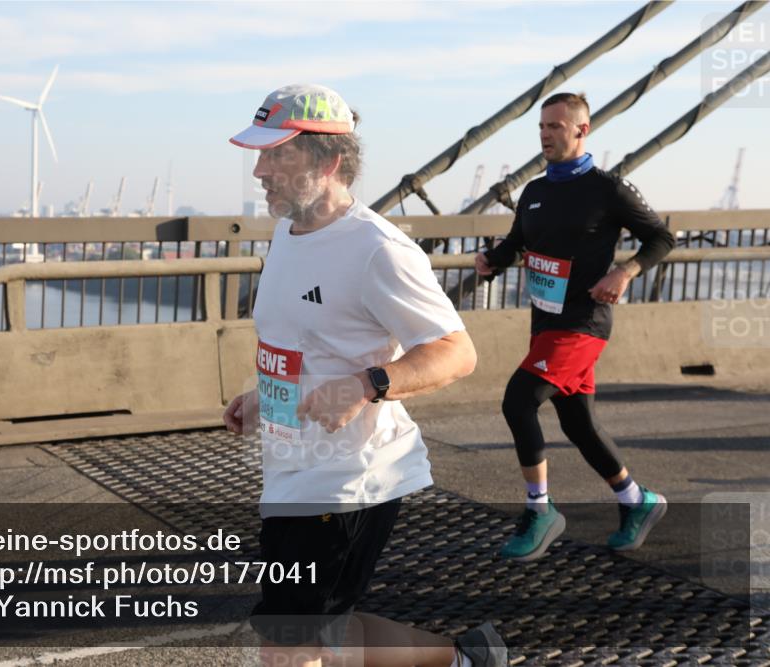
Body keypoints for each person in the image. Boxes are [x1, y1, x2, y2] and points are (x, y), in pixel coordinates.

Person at [223, 83, 506, 667]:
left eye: (278, 155)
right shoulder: (287, 230)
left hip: (346, 479)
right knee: (328, 633)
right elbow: (310, 339)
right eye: (260, 154)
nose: (260, 170)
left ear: (329, 162)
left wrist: (366, 384)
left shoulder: (379, 250)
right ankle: (466, 659)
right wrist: (264, 396)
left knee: (287, 647)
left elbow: (456, 352)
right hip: (291, 469)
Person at [475, 92, 675, 562]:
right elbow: (518, 242)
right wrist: (493, 261)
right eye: (541, 127)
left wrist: (624, 272)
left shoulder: (609, 189)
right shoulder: (536, 191)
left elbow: (662, 236)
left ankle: (539, 510)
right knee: (578, 422)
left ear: (582, 130)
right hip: (545, 323)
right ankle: (636, 501)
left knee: (518, 401)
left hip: (583, 325)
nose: (545, 135)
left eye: (556, 127)